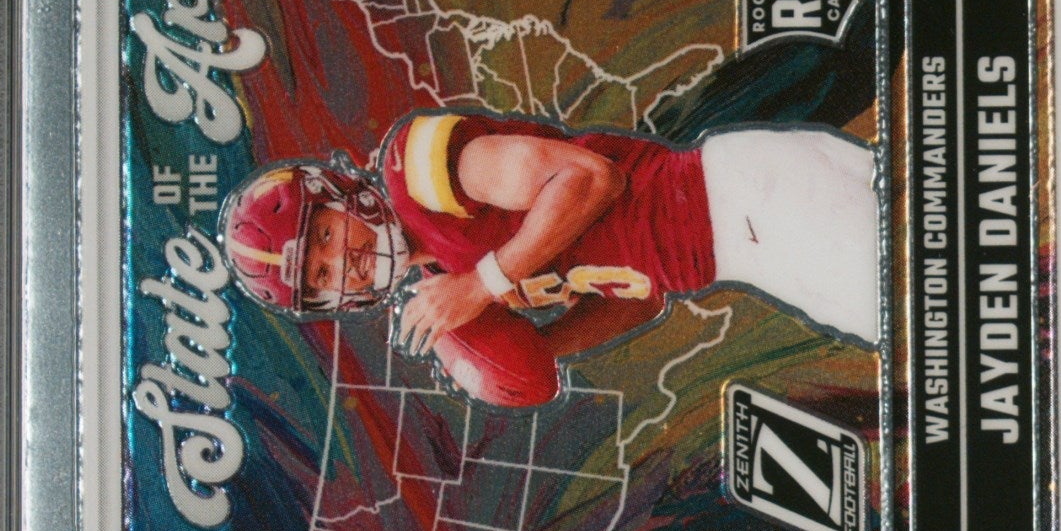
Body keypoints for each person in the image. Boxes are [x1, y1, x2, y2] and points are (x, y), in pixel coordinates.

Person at [220, 108, 878, 407]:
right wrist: (532, 353)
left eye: (325, 236)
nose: (345, 262)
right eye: (322, 275)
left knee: (923, 317)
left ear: (337, 195)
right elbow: (643, 299)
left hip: (747, 200)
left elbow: (590, 178)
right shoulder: (447, 279)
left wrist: (485, 283)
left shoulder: (420, 176)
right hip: (744, 248)